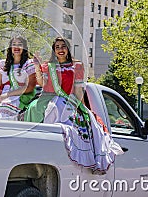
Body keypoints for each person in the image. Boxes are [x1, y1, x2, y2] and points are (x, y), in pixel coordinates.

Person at [25, 37, 122, 173]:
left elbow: (78, 89)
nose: (60, 49)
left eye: (63, 46)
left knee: (62, 110)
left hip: (69, 99)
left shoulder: (76, 66)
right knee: (35, 107)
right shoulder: (49, 66)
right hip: (48, 97)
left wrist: (80, 106)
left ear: (68, 49)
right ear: (54, 50)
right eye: (57, 47)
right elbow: (42, 84)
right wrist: (37, 65)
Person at [0, 36, 36, 120]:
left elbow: (29, 88)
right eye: (14, 44)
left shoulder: (29, 64)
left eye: (20, 44)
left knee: (4, 108)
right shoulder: (3, 64)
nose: (16, 47)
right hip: (2, 95)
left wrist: (5, 96)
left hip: (19, 95)